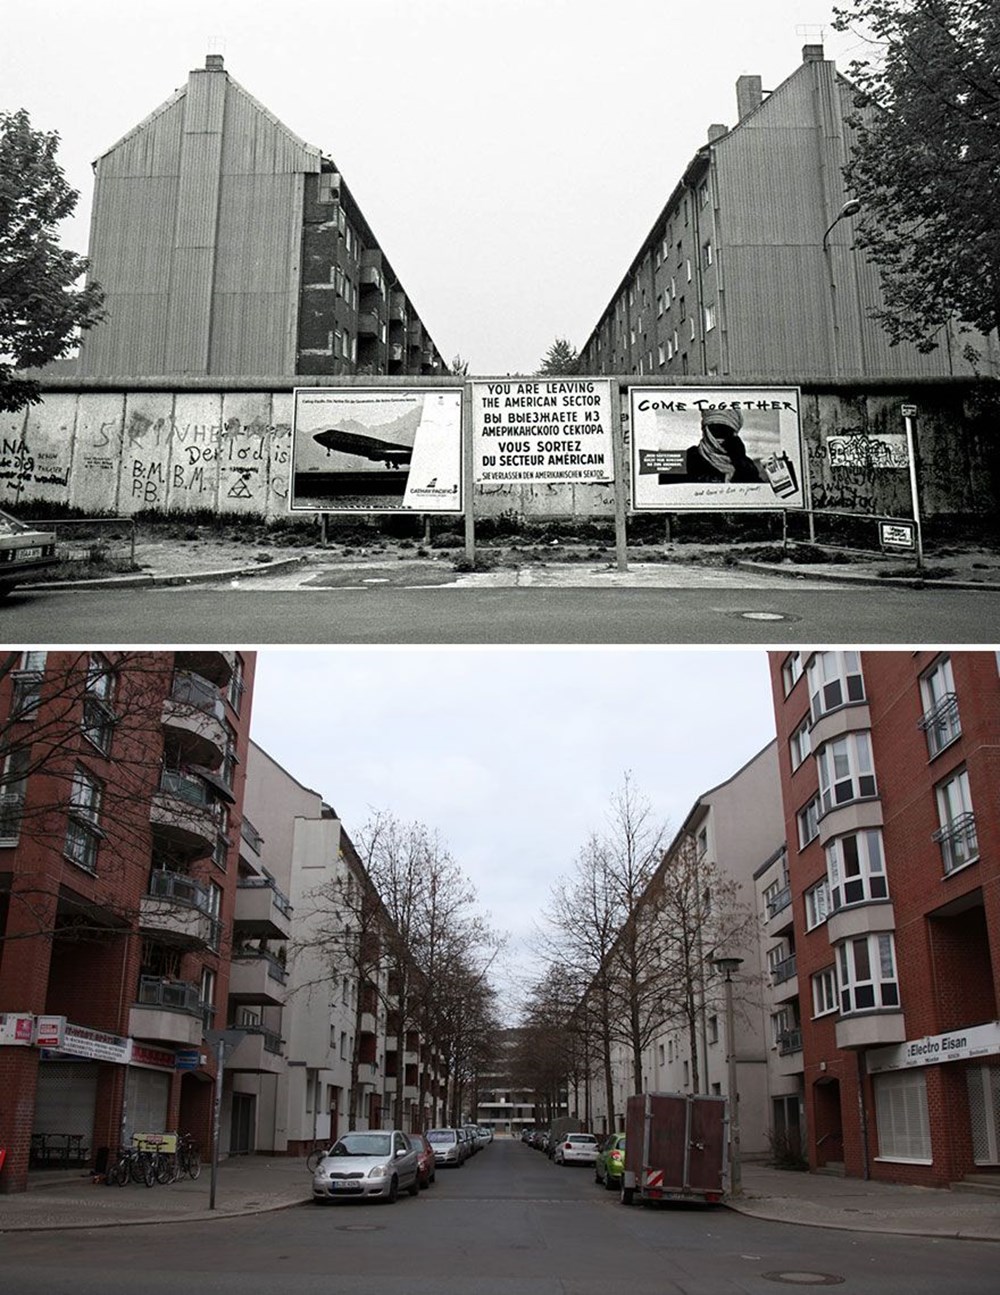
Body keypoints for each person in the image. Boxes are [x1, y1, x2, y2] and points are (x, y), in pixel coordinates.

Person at [682, 406, 762, 483]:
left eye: (725, 431)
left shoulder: (745, 464)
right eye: (715, 429)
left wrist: (740, 462)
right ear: (706, 430)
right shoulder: (686, 460)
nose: (720, 437)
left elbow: (759, 492)